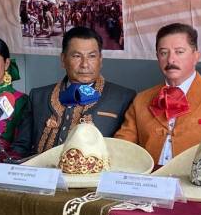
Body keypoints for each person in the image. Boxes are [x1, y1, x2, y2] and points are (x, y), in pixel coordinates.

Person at [114, 23, 201, 166]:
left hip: (200, 184)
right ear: (157, 57)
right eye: (164, 53)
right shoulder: (141, 99)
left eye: (179, 52)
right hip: (150, 183)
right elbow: (123, 147)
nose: (171, 60)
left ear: (196, 56)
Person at [10, 26, 136, 157]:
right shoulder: (38, 96)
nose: (85, 64)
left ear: (100, 60)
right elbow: (20, 148)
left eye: (92, 56)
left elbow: (124, 154)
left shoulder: (123, 97)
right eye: (77, 56)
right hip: (42, 174)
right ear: (63, 60)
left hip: (95, 176)